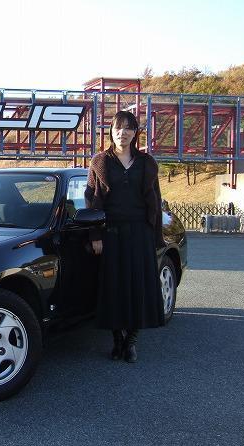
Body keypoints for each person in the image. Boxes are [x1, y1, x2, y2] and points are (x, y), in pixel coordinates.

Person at [84, 111, 166, 363]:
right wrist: (95, 234)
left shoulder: (147, 162)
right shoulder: (100, 162)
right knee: (114, 288)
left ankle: (131, 341)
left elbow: (155, 201)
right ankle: (117, 339)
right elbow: (91, 201)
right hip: (111, 233)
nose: (123, 133)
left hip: (141, 233)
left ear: (135, 133)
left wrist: (156, 237)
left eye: (129, 128)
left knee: (138, 288)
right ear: (111, 131)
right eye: (118, 128)